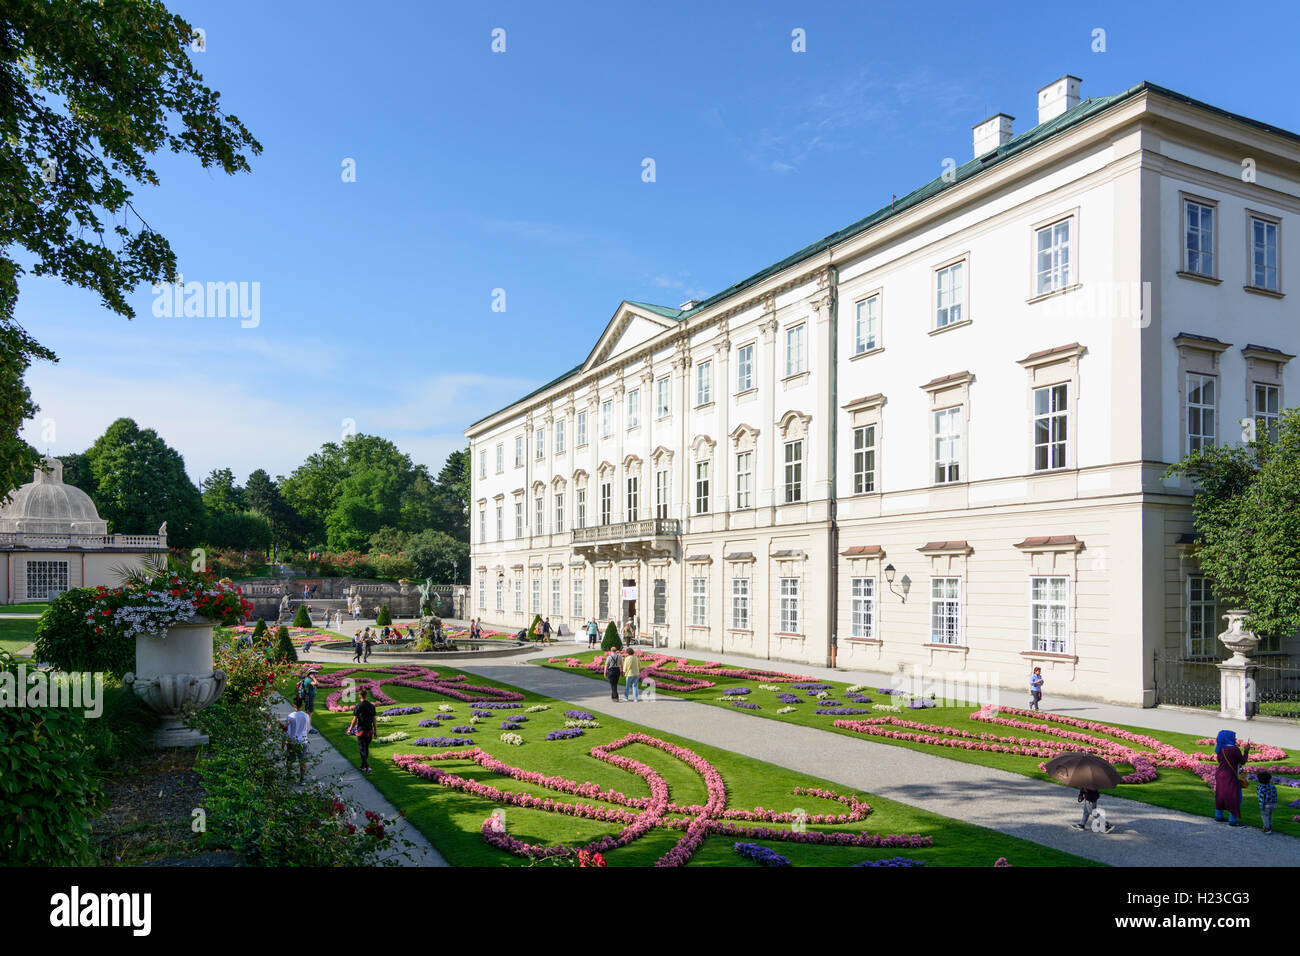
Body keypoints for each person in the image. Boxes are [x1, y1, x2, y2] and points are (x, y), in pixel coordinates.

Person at [1213, 729, 1250, 826]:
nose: (1235, 738)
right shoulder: (1234, 749)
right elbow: (1242, 761)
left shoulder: (1220, 749)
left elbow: (1220, 760)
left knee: (1220, 795)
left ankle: (1219, 815)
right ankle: (1232, 820)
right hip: (1230, 775)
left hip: (1220, 774)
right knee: (1235, 797)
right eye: (1234, 737)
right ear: (1229, 738)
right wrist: (1246, 751)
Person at [346, 688, 377, 774]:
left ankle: (367, 766)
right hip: (369, 730)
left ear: (359, 696)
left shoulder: (358, 706)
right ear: (366, 696)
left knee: (361, 749)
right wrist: (375, 731)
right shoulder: (372, 706)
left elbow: (354, 720)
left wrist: (350, 729)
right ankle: (363, 766)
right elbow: (374, 719)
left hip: (361, 730)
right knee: (366, 748)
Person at [285, 696, 311, 783]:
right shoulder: (306, 716)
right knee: (302, 761)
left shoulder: (290, 716)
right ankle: (302, 779)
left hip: (292, 741)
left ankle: (289, 776)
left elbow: (287, 730)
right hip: (303, 740)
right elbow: (307, 728)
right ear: (302, 705)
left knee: (290, 760)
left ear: (293, 705)